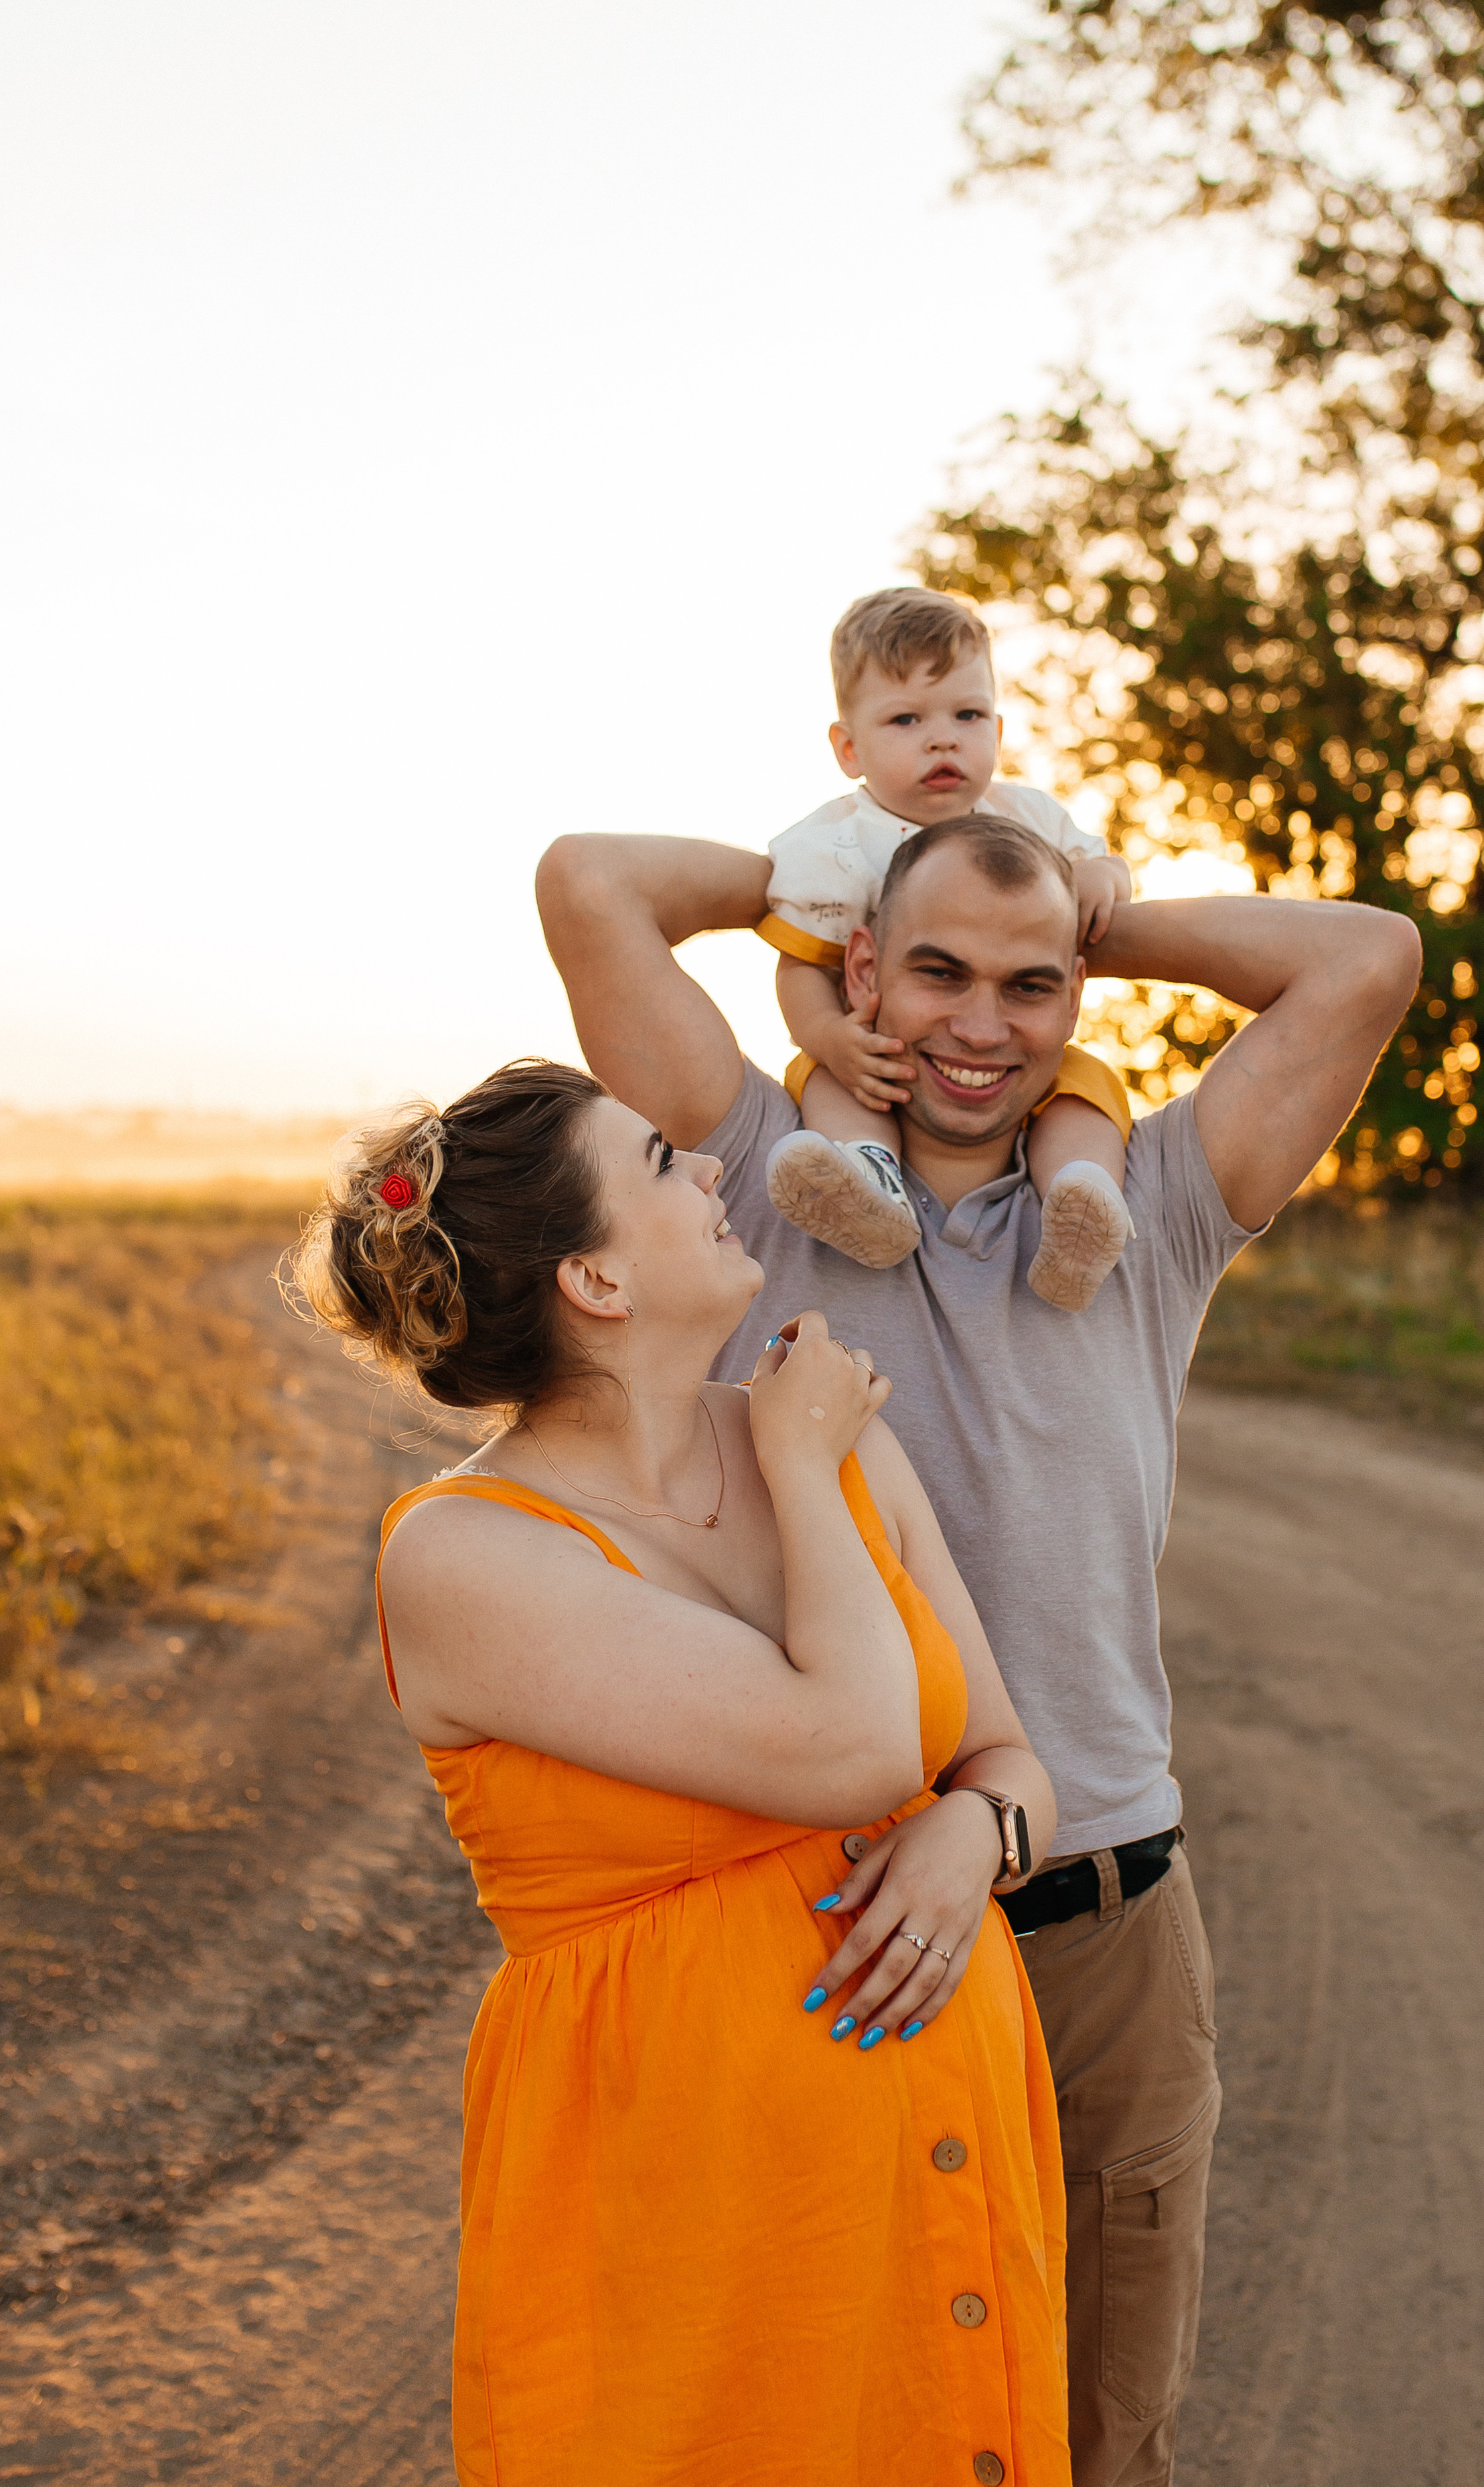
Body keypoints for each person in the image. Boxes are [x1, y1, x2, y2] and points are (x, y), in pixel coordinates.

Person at [535, 819, 1421, 2487]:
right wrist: (818, 904)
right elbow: (591, 884)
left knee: (1094, 2436)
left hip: (1097, 1925)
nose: (980, 1023)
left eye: (1032, 986)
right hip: (830, 1926)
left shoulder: (1148, 1204)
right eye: (934, 968)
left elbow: (1364, 957)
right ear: (863, 968)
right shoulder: (744, 1181)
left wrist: (1108, 914)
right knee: (827, 2430)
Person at [287, 1058, 1071, 2487]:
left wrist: (978, 1836)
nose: (713, 1174)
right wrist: (795, 1461)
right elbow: (847, 1750)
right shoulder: (461, 1553)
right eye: (660, 1164)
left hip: (930, 2173)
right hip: (690, 2215)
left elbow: (1004, 1759)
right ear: (593, 1280)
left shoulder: (833, 1439)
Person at [760, 587, 1138, 1310]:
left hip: (1015, 1068)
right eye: (905, 720)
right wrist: (828, 1038)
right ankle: (866, 1184)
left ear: (996, 727)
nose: (942, 739)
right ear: (849, 748)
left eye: (966, 716)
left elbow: (1103, 870)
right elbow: (801, 962)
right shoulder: (838, 845)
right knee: (834, 1085)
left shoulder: (1027, 817)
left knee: (1085, 1091)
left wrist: (1101, 872)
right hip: (872, 1046)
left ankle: (1080, 1206)